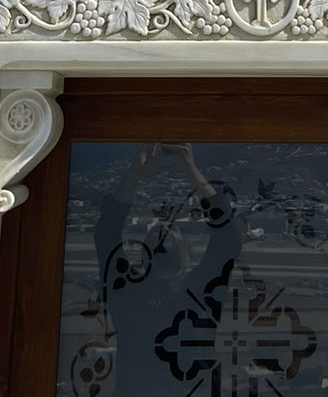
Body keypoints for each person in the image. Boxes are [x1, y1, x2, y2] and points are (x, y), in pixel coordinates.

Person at [93, 144, 246, 397]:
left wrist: (190, 169)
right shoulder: (131, 290)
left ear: (186, 252)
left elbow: (229, 236)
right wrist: (137, 172)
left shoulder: (198, 291)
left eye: (172, 228)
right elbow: (106, 233)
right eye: (158, 229)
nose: (164, 227)